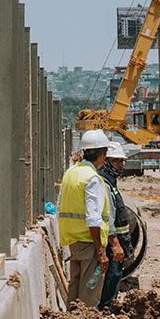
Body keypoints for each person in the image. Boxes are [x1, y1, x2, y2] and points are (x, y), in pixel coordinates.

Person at [57, 130, 111, 308]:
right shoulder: (92, 178)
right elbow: (93, 218)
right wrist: (100, 251)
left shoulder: (71, 173)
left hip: (73, 240)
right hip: (89, 241)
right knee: (89, 293)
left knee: (75, 288)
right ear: (101, 153)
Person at [99, 142, 131, 308]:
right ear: (105, 161)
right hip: (111, 243)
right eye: (116, 161)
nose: (120, 165)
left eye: (121, 161)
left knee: (115, 276)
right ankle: (106, 307)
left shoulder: (111, 183)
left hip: (117, 241)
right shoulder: (104, 184)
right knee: (111, 277)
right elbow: (107, 216)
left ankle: (108, 305)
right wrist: (115, 244)